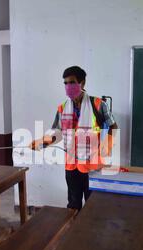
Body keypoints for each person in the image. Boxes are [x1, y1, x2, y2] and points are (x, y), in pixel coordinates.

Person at [30, 66, 118, 214]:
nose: (67, 86)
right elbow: (56, 132)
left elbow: (113, 126)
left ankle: (90, 234)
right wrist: (42, 142)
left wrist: (106, 145)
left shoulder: (98, 104)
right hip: (71, 165)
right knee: (72, 205)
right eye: (65, 83)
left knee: (93, 206)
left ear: (82, 83)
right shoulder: (62, 107)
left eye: (71, 82)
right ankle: (72, 233)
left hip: (92, 165)